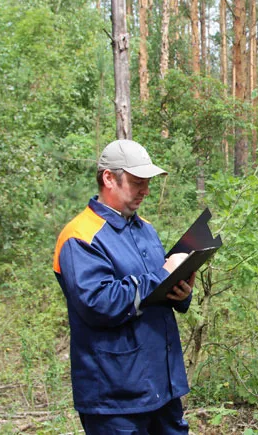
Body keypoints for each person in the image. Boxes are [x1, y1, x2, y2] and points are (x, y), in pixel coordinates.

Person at [53, 139, 194, 435]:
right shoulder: (80, 237)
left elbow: (154, 291)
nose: (145, 190)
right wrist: (161, 275)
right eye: (136, 182)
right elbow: (100, 304)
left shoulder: (145, 228)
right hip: (114, 397)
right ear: (108, 178)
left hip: (162, 386)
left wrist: (180, 293)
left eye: (147, 182)